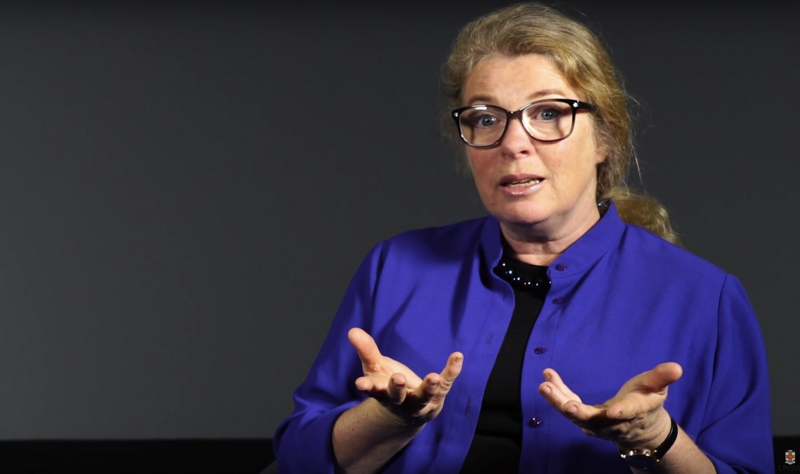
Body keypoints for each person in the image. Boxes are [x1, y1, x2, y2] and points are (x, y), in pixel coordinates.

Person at [272, 3, 773, 473]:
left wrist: (655, 436)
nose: (513, 143)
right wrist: (392, 418)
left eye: (548, 113)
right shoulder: (395, 266)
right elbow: (297, 456)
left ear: (605, 138)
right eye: (486, 118)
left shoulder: (706, 298)